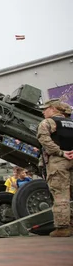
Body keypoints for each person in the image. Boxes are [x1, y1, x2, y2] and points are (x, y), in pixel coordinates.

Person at [36, 99, 73, 237]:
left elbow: (44, 140)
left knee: (60, 194)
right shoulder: (71, 123)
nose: (43, 112)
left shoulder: (48, 123)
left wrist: (60, 152)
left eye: (45, 109)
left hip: (59, 161)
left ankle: (63, 227)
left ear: (53, 109)